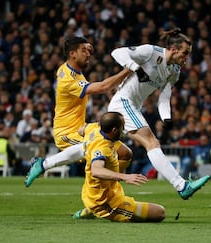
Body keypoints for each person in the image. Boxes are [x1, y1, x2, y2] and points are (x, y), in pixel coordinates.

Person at [108, 28, 210, 200]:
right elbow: (116, 52)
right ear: (174, 49)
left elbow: (164, 97)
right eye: (185, 53)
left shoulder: (174, 71)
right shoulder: (151, 52)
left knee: (101, 147)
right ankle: (181, 185)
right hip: (123, 103)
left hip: (131, 107)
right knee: (152, 142)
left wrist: (166, 117)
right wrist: (136, 68)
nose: (186, 58)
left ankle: (48, 164)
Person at [25, 36, 133, 187]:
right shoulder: (68, 80)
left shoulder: (69, 68)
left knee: (125, 154)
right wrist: (129, 70)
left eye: (87, 50)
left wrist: (86, 46)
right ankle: (44, 164)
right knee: (95, 147)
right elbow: (102, 88)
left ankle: (106, 187)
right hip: (66, 133)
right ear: (72, 54)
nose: (88, 54)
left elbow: (76, 48)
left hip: (81, 128)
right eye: (83, 51)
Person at [72, 112, 165, 222]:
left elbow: (80, 130)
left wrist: (85, 146)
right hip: (105, 202)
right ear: (114, 130)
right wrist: (125, 177)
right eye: (122, 126)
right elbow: (96, 170)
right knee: (160, 212)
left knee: (126, 153)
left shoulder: (93, 128)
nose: (124, 129)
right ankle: (96, 210)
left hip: (97, 191)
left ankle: (93, 208)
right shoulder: (102, 149)